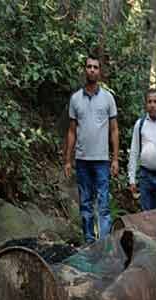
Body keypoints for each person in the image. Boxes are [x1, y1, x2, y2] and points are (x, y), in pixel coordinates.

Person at [63, 55, 119, 243]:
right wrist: (68, 160)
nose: (92, 70)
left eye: (95, 67)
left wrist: (115, 159)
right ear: (84, 70)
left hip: (102, 160)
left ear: (100, 71)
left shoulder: (108, 98)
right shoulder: (75, 99)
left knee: (103, 204)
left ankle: (103, 244)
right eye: (89, 67)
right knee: (85, 203)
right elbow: (71, 131)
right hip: (82, 159)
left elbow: (114, 130)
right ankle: (88, 242)